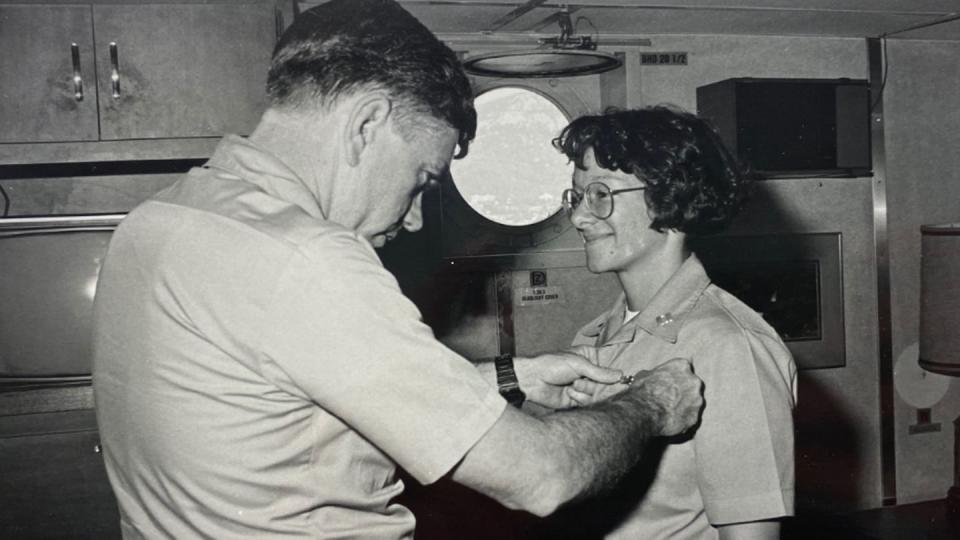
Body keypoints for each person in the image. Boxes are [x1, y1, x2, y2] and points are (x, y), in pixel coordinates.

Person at [91, 1, 705, 538]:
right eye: (421, 179)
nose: (412, 219)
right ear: (366, 125)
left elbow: (290, 384)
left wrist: (509, 378)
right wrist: (651, 403)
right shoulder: (308, 258)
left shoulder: (160, 222)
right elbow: (543, 477)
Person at [543, 106, 798, 539]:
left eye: (601, 195)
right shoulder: (593, 338)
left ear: (670, 198)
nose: (579, 217)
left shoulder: (726, 347)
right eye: (577, 196)